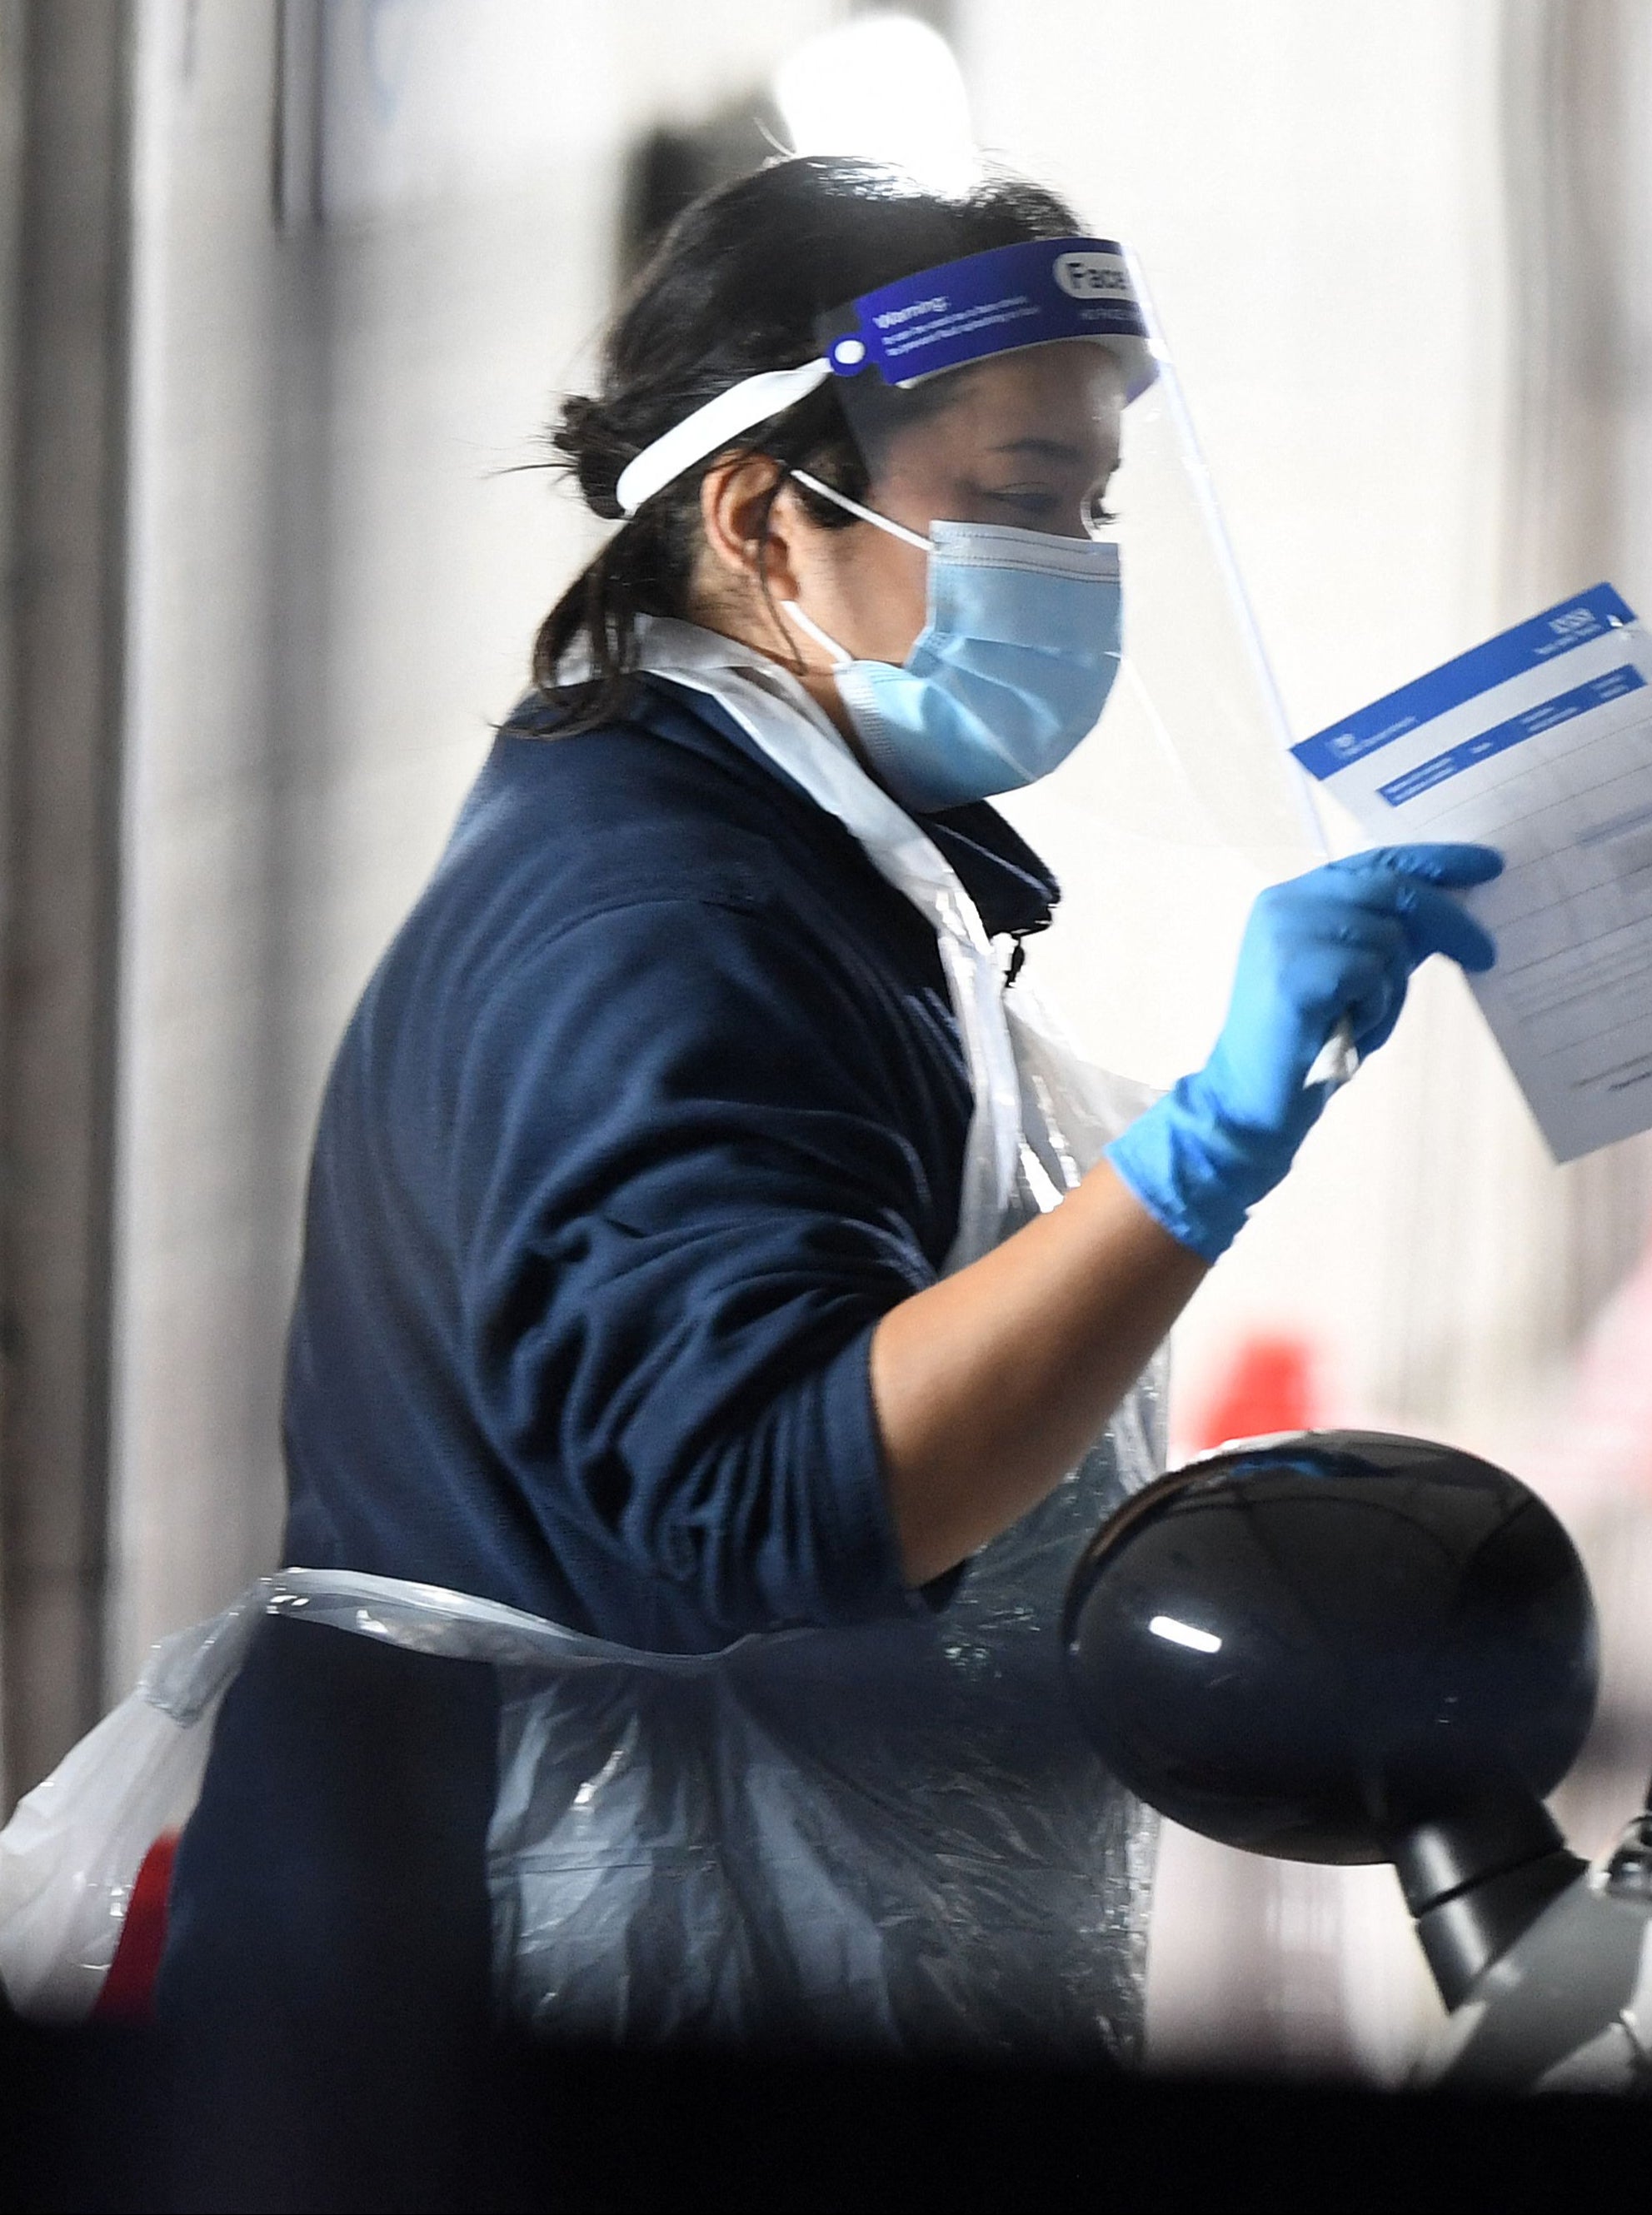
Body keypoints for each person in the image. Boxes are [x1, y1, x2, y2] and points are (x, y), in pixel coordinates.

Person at [156, 157, 1499, 2061]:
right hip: (549, 1953)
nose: (1084, 563)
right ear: (764, 517)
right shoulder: (662, 914)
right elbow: (782, 1497)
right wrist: (1207, 1149)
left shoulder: (800, 856)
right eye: (1023, 501)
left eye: (1099, 506)